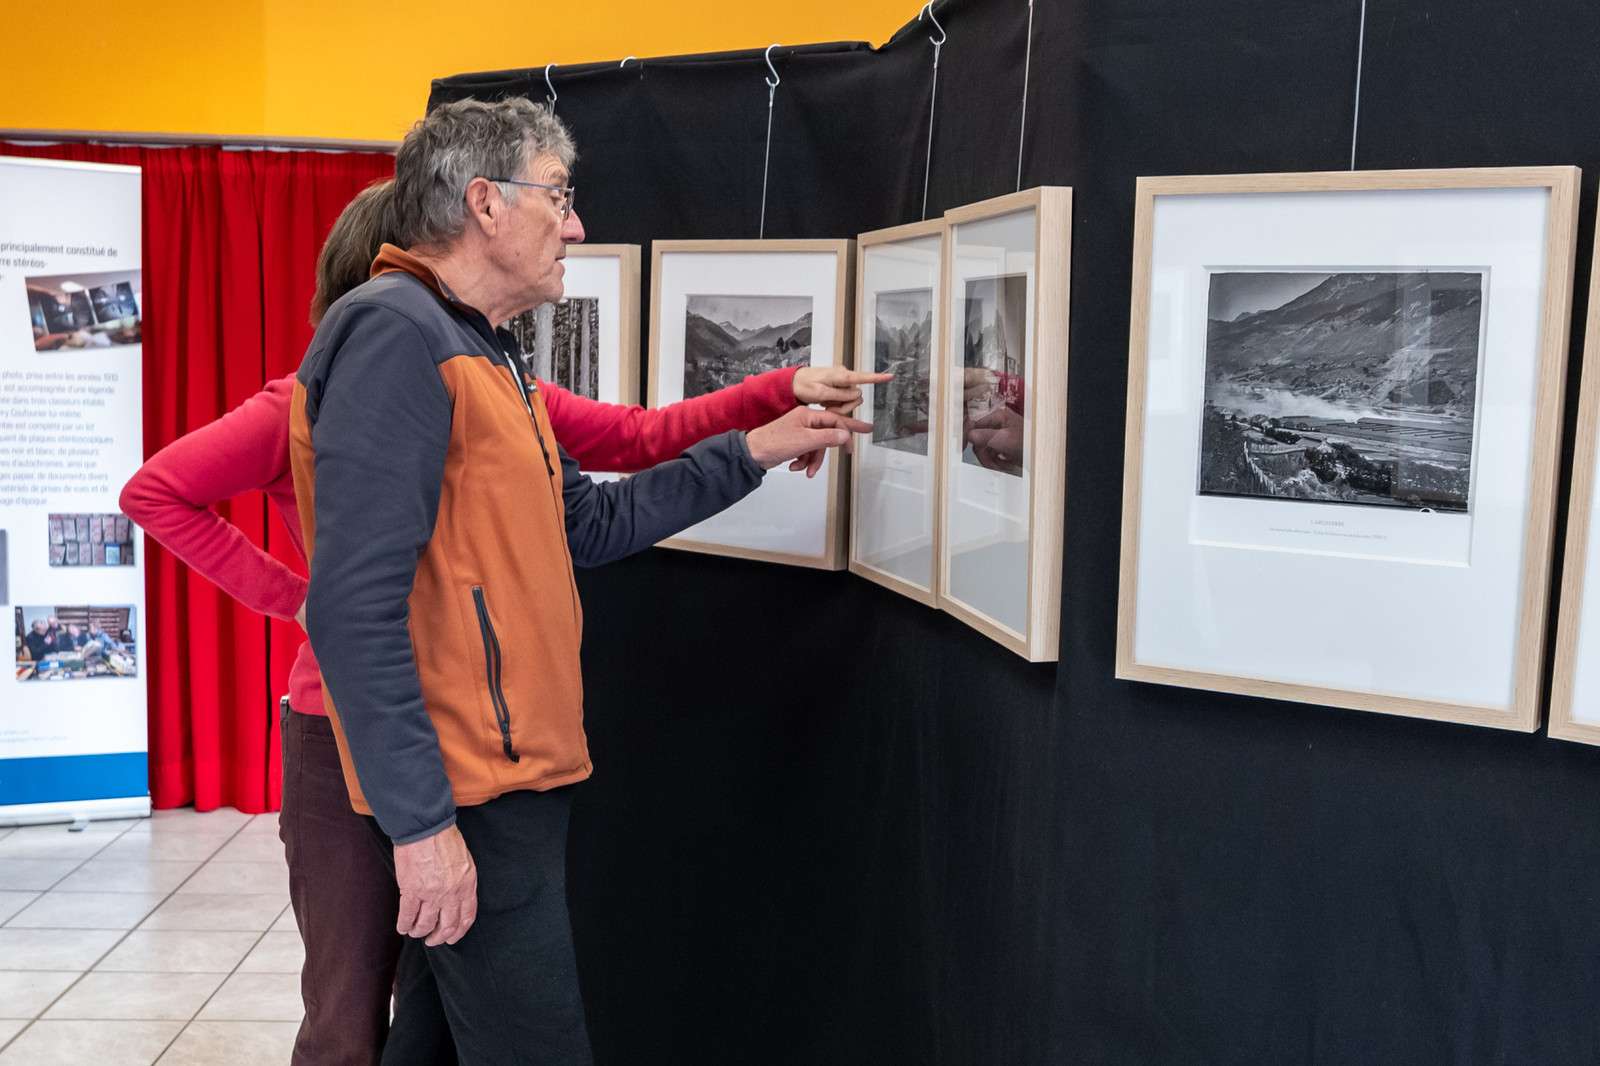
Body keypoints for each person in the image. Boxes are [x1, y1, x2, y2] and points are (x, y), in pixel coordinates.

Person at [122, 177, 879, 1066]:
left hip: (456, 729)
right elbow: (156, 492)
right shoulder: (300, 401)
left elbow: (632, 439)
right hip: (340, 730)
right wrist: (297, 596)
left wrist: (774, 392)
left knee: (436, 1000)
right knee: (349, 1008)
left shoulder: (492, 385)